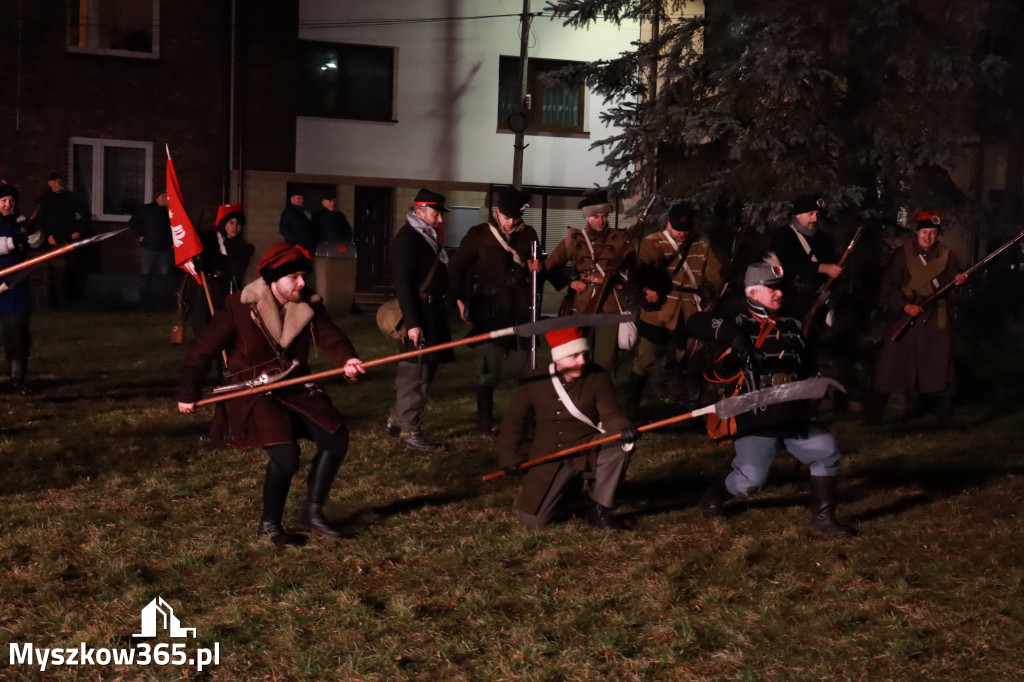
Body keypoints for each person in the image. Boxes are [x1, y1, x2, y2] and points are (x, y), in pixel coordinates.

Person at [177, 243, 365, 546]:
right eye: (294, 277)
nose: (302, 283)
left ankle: (312, 513)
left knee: (335, 436)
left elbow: (330, 335)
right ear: (273, 279)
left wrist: (347, 360)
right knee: (286, 455)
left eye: (303, 275)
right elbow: (202, 350)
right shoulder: (240, 306)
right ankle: (269, 524)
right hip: (252, 392)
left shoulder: (309, 305)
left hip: (294, 387)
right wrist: (187, 392)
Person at [687, 258, 857, 536]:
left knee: (826, 449)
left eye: (780, 288)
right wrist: (736, 337)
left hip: (791, 412)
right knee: (750, 480)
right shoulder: (738, 319)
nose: (779, 293)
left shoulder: (790, 321)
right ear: (753, 292)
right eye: (772, 288)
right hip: (756, 415)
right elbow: (695, 322)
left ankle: (824, 519)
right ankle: (713, 496)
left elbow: (805, 362)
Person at [498, 327, 639, 530]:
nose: (582, 361)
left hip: (585, 447)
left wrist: (624, 429)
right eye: (574, 356)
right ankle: (568, 492)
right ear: (558, 358)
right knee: (533, 522)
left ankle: (599, 507)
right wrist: (509, 458)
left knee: (618, 447)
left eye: (583, 354)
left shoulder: (597, 376)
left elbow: (610, 414)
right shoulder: (534, 380)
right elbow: (513, 422)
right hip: (550, 454)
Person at [448, 186, 542, 435]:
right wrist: (458, 300)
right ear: (497, 211)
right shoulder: (478, 234)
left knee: (525, 369)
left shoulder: (529, 234)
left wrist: (537, 269)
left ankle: (524, 422)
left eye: (515, 218)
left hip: (521, 310)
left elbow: (537, 280)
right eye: (506, 216)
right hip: (490, 310)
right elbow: (456, 270)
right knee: (487, 371)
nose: (510, 222)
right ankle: (484, 425)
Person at [867, 211, 968, 424]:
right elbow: (890, 286)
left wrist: (958, 284)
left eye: (932, 233)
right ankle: (875, 418)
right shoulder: (902, 254)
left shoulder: (948, 257)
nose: (928, 237)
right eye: (924, 232)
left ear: (937, 234)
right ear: (917, 233)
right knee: (889, 368)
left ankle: (946, 419)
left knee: (941, 369)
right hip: (906, 318)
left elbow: (953, 292)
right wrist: (905, 307)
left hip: (935, 321)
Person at [626, 201, 723, 418]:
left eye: (686, 229)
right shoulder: (653, 242)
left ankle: (694, 412)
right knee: (645, 359)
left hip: (689, 310)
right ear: (669, 224)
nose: (682, 233)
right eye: (678, 229)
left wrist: (727, 273)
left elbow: (714, 275)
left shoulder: (701, 244)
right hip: (660, 309)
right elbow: (640, 269)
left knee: (693, 359)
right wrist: (646, 287)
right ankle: (631, 409)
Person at [385, 188, 454, 451]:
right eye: (436, 214)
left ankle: (396, 420)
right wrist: (413, 322)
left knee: (424, 369)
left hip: (431, 312)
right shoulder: (408, 238)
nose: (440, 219)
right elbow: (403, 284)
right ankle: (409, 432)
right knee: (416, 374)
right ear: (420, 212)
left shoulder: (424, 236)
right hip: (419, 314)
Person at [544, 189, 634, 372]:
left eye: (603, 216)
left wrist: (623, 267)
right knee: (579, 356)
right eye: (595, 217)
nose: (600, 221)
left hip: (609, 305)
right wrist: (568, 282)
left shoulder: (621, 239)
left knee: (604, 360)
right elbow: (550, 265)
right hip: (582, 303)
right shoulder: (574, 239)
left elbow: (634, 270)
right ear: (587, 217)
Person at [0, 181, 45, 395]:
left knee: (17, 333)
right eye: (3, 201)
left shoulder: (21, 222)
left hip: (14, 287)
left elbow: (36, 244)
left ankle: (17, 379)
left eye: (11, 201)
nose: (8, 204)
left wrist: (33, 232)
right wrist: (11, 242)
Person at [770, 193, 842, 322]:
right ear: (798, 214)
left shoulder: (825, 239)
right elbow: (787, 263)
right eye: (810, 214)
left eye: (817, 214)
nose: (815, 219)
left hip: (817, 302)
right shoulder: (783, 235)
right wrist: (821, 268)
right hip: (790, 301)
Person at [187, 203, 256, 335]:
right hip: (208, 289)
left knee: (223, 324)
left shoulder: (244, 248)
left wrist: (218, 261)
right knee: (202, 319)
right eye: (231, 223)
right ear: (225, 224)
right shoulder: (212, 241)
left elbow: (236, 268)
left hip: (227, 291)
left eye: (238, 224)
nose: (235, 227)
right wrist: (201, 262)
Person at [33, 172, 91, 307]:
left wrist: (78, 231)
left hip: (69, 238)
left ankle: (69, 299)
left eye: (60, 182)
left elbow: (85, 214)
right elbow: (40, 220)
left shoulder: (70, 198)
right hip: (52, 240)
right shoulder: (45, 199)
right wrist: (48, 235)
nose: (58, 185)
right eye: (55, 182)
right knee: (51, 269)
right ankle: (52, 301)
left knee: (69, 269)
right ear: (50, 184)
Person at [129, 192, 172, 311]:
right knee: (146, 276)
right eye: (162, 196)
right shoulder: (146, 209)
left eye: (166, 196)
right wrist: (140, 236)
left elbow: (171, 228)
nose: (164, 198)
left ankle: (160, 302)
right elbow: (132, 223)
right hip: (149, 248)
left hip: (164, 249)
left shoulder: (167, 212)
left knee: (162, 277)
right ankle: (145, 302)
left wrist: (171, 242)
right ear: (156, 197)